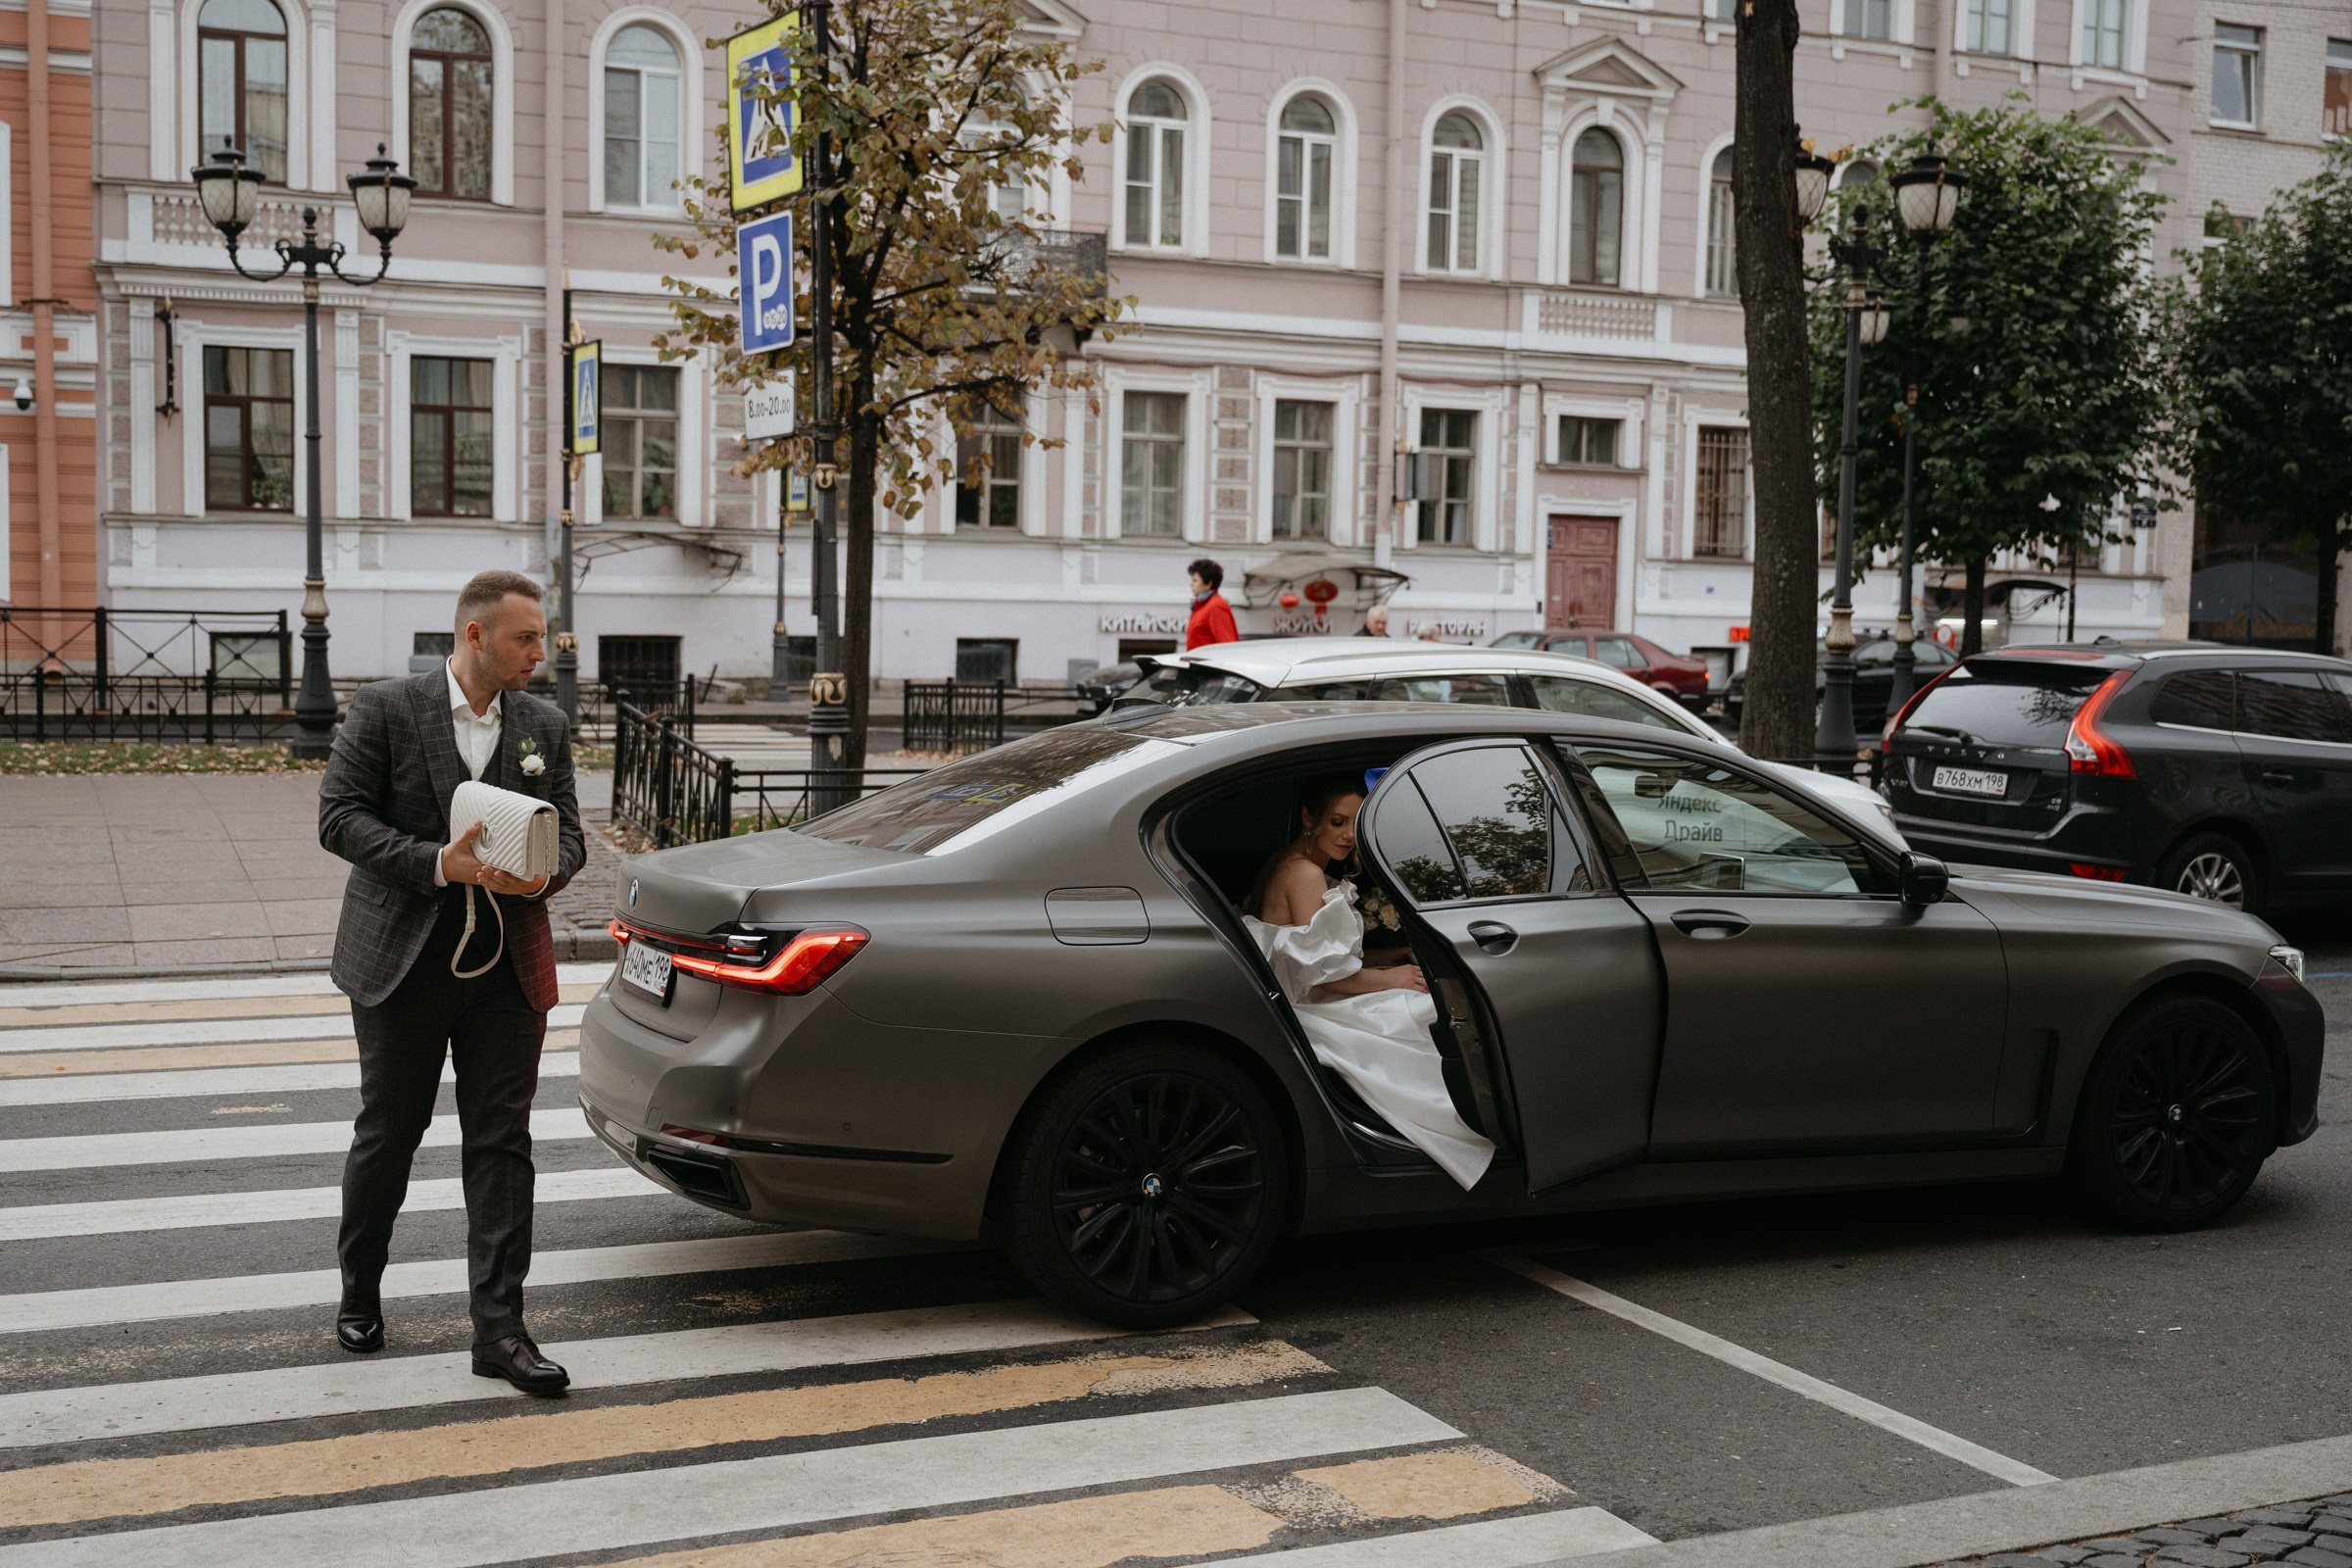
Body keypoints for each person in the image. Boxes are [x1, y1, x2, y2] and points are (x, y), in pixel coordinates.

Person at [318, 569, 585, 1393]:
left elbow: (571, 835)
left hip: (508, 970)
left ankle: (499, 1333)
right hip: (402, 964)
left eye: (540, 637)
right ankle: (360, 1289)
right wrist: (437, 862)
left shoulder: (543, 723)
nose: (540, 652)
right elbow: (339, 818)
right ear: (475, 636)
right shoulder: (387, 708)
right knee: (389, 1135)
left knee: (503, 1147)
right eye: (524, 638)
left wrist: (537, 878)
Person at [1242, 775, 1494, 1189]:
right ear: (1309, 816)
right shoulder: (1304, 874)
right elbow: (1326, 977)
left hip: (1307, 994)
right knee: (1432, 1007)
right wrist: (1392, 978)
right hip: (1309, 1007)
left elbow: (1319, 958)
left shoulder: (1287, 862)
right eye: (1336, 821)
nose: (1345, 836)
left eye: (1354, 824)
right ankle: (1476, 1123)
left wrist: (1391, 958)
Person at [1186, 559, 1240, 649]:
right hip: (1198, 662)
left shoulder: (1216, 607)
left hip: (1205, 662)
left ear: (1208, 584)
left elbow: (1227, 645)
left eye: (1195, 580)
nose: (1191, 584)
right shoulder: (1200, 606)